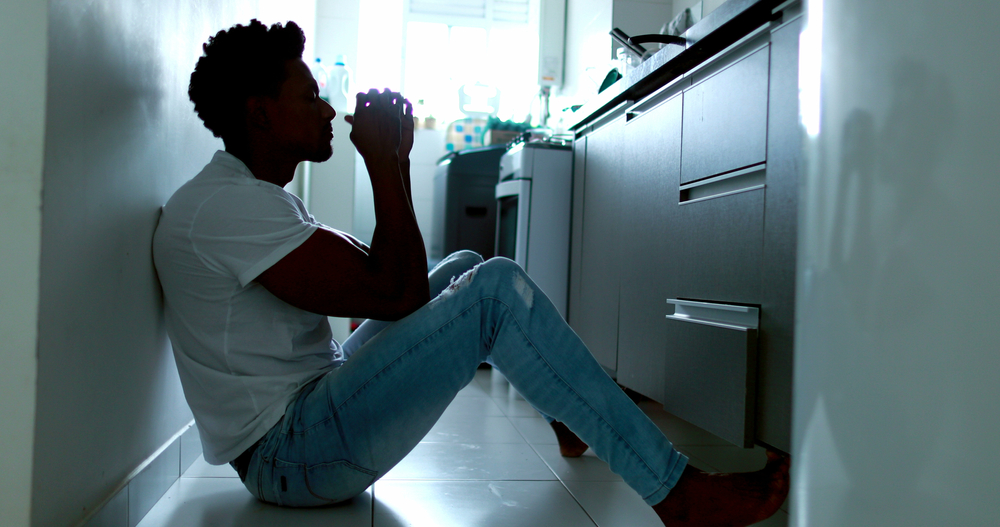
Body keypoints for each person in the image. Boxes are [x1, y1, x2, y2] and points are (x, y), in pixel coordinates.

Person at [153, 19, 790, 525]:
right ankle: (675, 492)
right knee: (491, 293)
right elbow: (394, 293)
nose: (327, 111)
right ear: (260, 113)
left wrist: (393, 160)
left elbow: (386, 285)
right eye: (309, 96)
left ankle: (569, 405)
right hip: (292, 456)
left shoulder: (248, 196)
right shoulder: (228, 208)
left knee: (464, 266)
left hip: (310, 416)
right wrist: (386, 163)